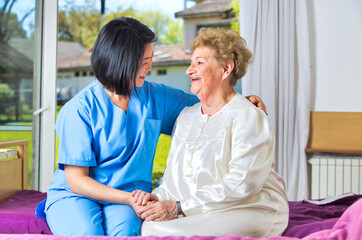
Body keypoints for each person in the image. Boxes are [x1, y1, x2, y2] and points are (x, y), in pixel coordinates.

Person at [35, 18, 267, 236]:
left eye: (150, 59)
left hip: (132, 195)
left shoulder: (154, 96)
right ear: (123, 63)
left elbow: (210, 103)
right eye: (145, 62)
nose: (150, 67)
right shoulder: (79, 109)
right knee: (88, 235)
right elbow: (77, 180)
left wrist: (242, 102)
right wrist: (127, 199)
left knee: (126, 235)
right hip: (79, 195)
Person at [133, 28, 289, 238]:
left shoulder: (248, 116)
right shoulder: (186, 117)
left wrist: (179, 207)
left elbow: (242, 184)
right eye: (191, 63)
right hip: (198, 208)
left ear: (226, 69)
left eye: (199, 62)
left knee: (160, 230)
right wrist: (157, 198)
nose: (189, 70)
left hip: (249, 207)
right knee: (149, 225)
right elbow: (172, 180)